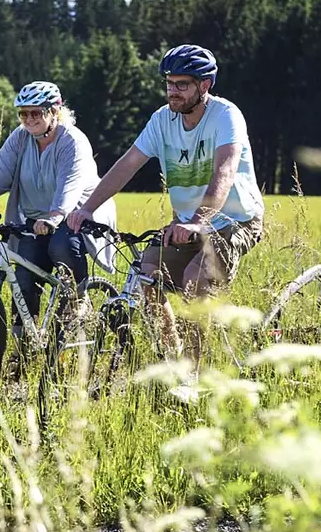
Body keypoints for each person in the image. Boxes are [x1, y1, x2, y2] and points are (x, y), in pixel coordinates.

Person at [66, 45, 264, 352]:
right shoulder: (162, 120)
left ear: (205, 85)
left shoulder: (226, 116)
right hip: (187, 224)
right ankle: (173, 353)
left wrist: (199, 221)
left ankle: (193, 376)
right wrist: (88, 209)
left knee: (194, 279)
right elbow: (128, 164)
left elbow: (224, 170)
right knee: (147, 274)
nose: (173, 91)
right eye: (169, 83)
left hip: (234, 221)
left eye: (182, 85)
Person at [0, 81, 117, 343]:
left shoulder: (72, 141)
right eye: (23, 114)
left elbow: (70, 184)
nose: (28, 120)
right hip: (35, 218)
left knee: (62, 248)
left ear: (55, 112)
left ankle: (78, 300)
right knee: (24, 277)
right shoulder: (20, 138)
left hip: (75, 214)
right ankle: (23, 346)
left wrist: (54, 216)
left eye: (36, 113)